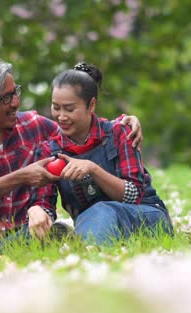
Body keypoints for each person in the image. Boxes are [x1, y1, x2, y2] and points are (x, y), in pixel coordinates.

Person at [0, 57, 143, 254]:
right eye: (6, 98)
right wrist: (22, 177)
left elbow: (78, 128)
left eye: (15, 92)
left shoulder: (32, 125)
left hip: (27, 231)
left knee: (58, 232)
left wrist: (122, 124)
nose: (16, 102)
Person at [27, 62, 173, 245]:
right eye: (56, 107)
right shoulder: (49, 151)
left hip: (144, 217)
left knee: (101, 210)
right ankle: (75, 242)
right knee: (28, 233)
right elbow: (44, 201)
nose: (61, 116)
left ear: (91, 105)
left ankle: (83, 249)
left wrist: (93, 169)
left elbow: (134, 195)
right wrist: (38, 210)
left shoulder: (120, 133)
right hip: (94, 226)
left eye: (70, 109)